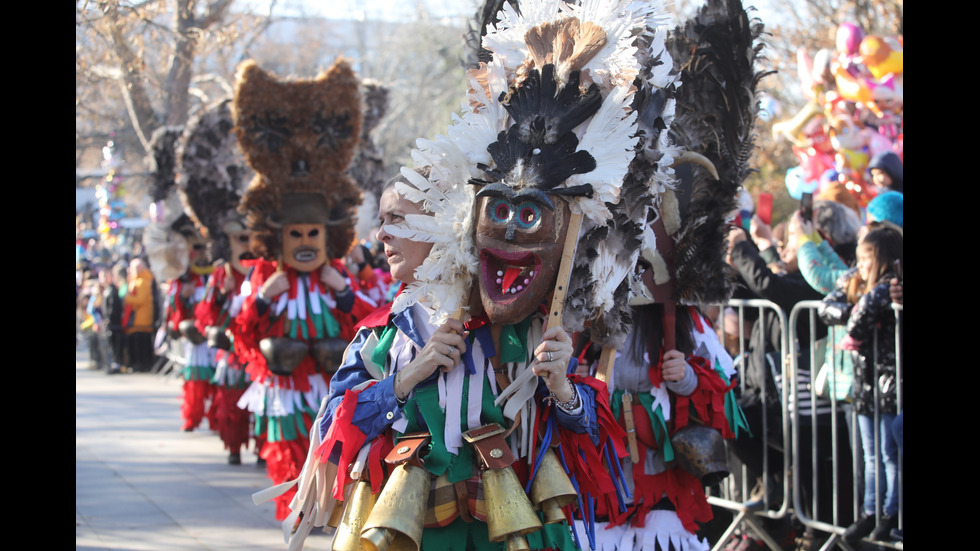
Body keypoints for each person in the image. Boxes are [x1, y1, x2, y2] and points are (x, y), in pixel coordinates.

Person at [230, 57, 375, 521]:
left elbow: (371, 325)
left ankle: (323, 508)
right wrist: (262, 299)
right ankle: (294, 510)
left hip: (329, 381)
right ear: (279, 238)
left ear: (328, 236)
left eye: (313, 235)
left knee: (332, 445)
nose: (306, 244)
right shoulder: (264, 279)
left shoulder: (341, 278)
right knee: (288, 445)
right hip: (286, 382)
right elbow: (241, 332)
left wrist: (346, 295)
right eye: (297, 235)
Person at [818, 226, 903, 544]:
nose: (860, 264)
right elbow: (828, 306)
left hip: (889, 381)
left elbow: (860, 321)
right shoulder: (857, 280)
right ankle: (871, 512)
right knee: (871, 454)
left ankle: (891, 512)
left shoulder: (888, 287)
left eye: (865, 258)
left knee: (889, 453)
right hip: (863, 382)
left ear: (880, 258)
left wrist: (860, 310)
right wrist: (854, 308)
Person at [124, 258, 157, 373]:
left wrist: (127, 298)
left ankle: (142, 365)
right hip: (137, 319)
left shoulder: (143, 281)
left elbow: (141, 300)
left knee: (142, 345)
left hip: (141, 320)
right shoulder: (137, 280)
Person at [103, 262, 128, 374]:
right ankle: (114, 363)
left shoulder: (114, 290)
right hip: (114, 322)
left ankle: (117, 364)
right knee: (112, 345)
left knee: (116, 345)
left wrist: (109, 318)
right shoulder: (110, 290)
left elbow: (114, 307)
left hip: (116, 323)